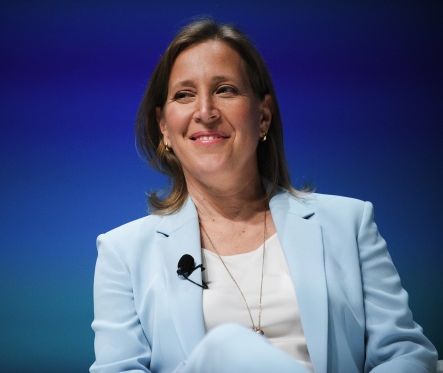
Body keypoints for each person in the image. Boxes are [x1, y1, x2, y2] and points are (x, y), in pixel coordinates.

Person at [90, 19, 438, 373]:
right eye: (184, 94)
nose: (205, 112)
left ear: (263, 116)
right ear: (164, 127)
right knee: (227, 346)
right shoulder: (124, 252)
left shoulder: (349, 223)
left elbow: (404, 353)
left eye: (225, 90)